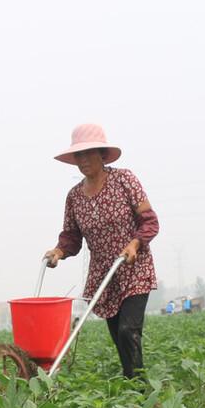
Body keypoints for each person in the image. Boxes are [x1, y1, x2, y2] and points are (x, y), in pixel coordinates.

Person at [43, 124, 160, 378]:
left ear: (102, 154)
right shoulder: (74, 197)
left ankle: (139, 391)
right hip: (104, 275)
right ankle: (133, 388)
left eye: (88, 154)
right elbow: (71, 237)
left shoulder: (124, 180)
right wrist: (59, 252)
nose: (83, 161)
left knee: (128, 330)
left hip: (132, 267)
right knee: (119, 338)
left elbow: (150, 221)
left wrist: (135, 243)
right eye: (78, 156)